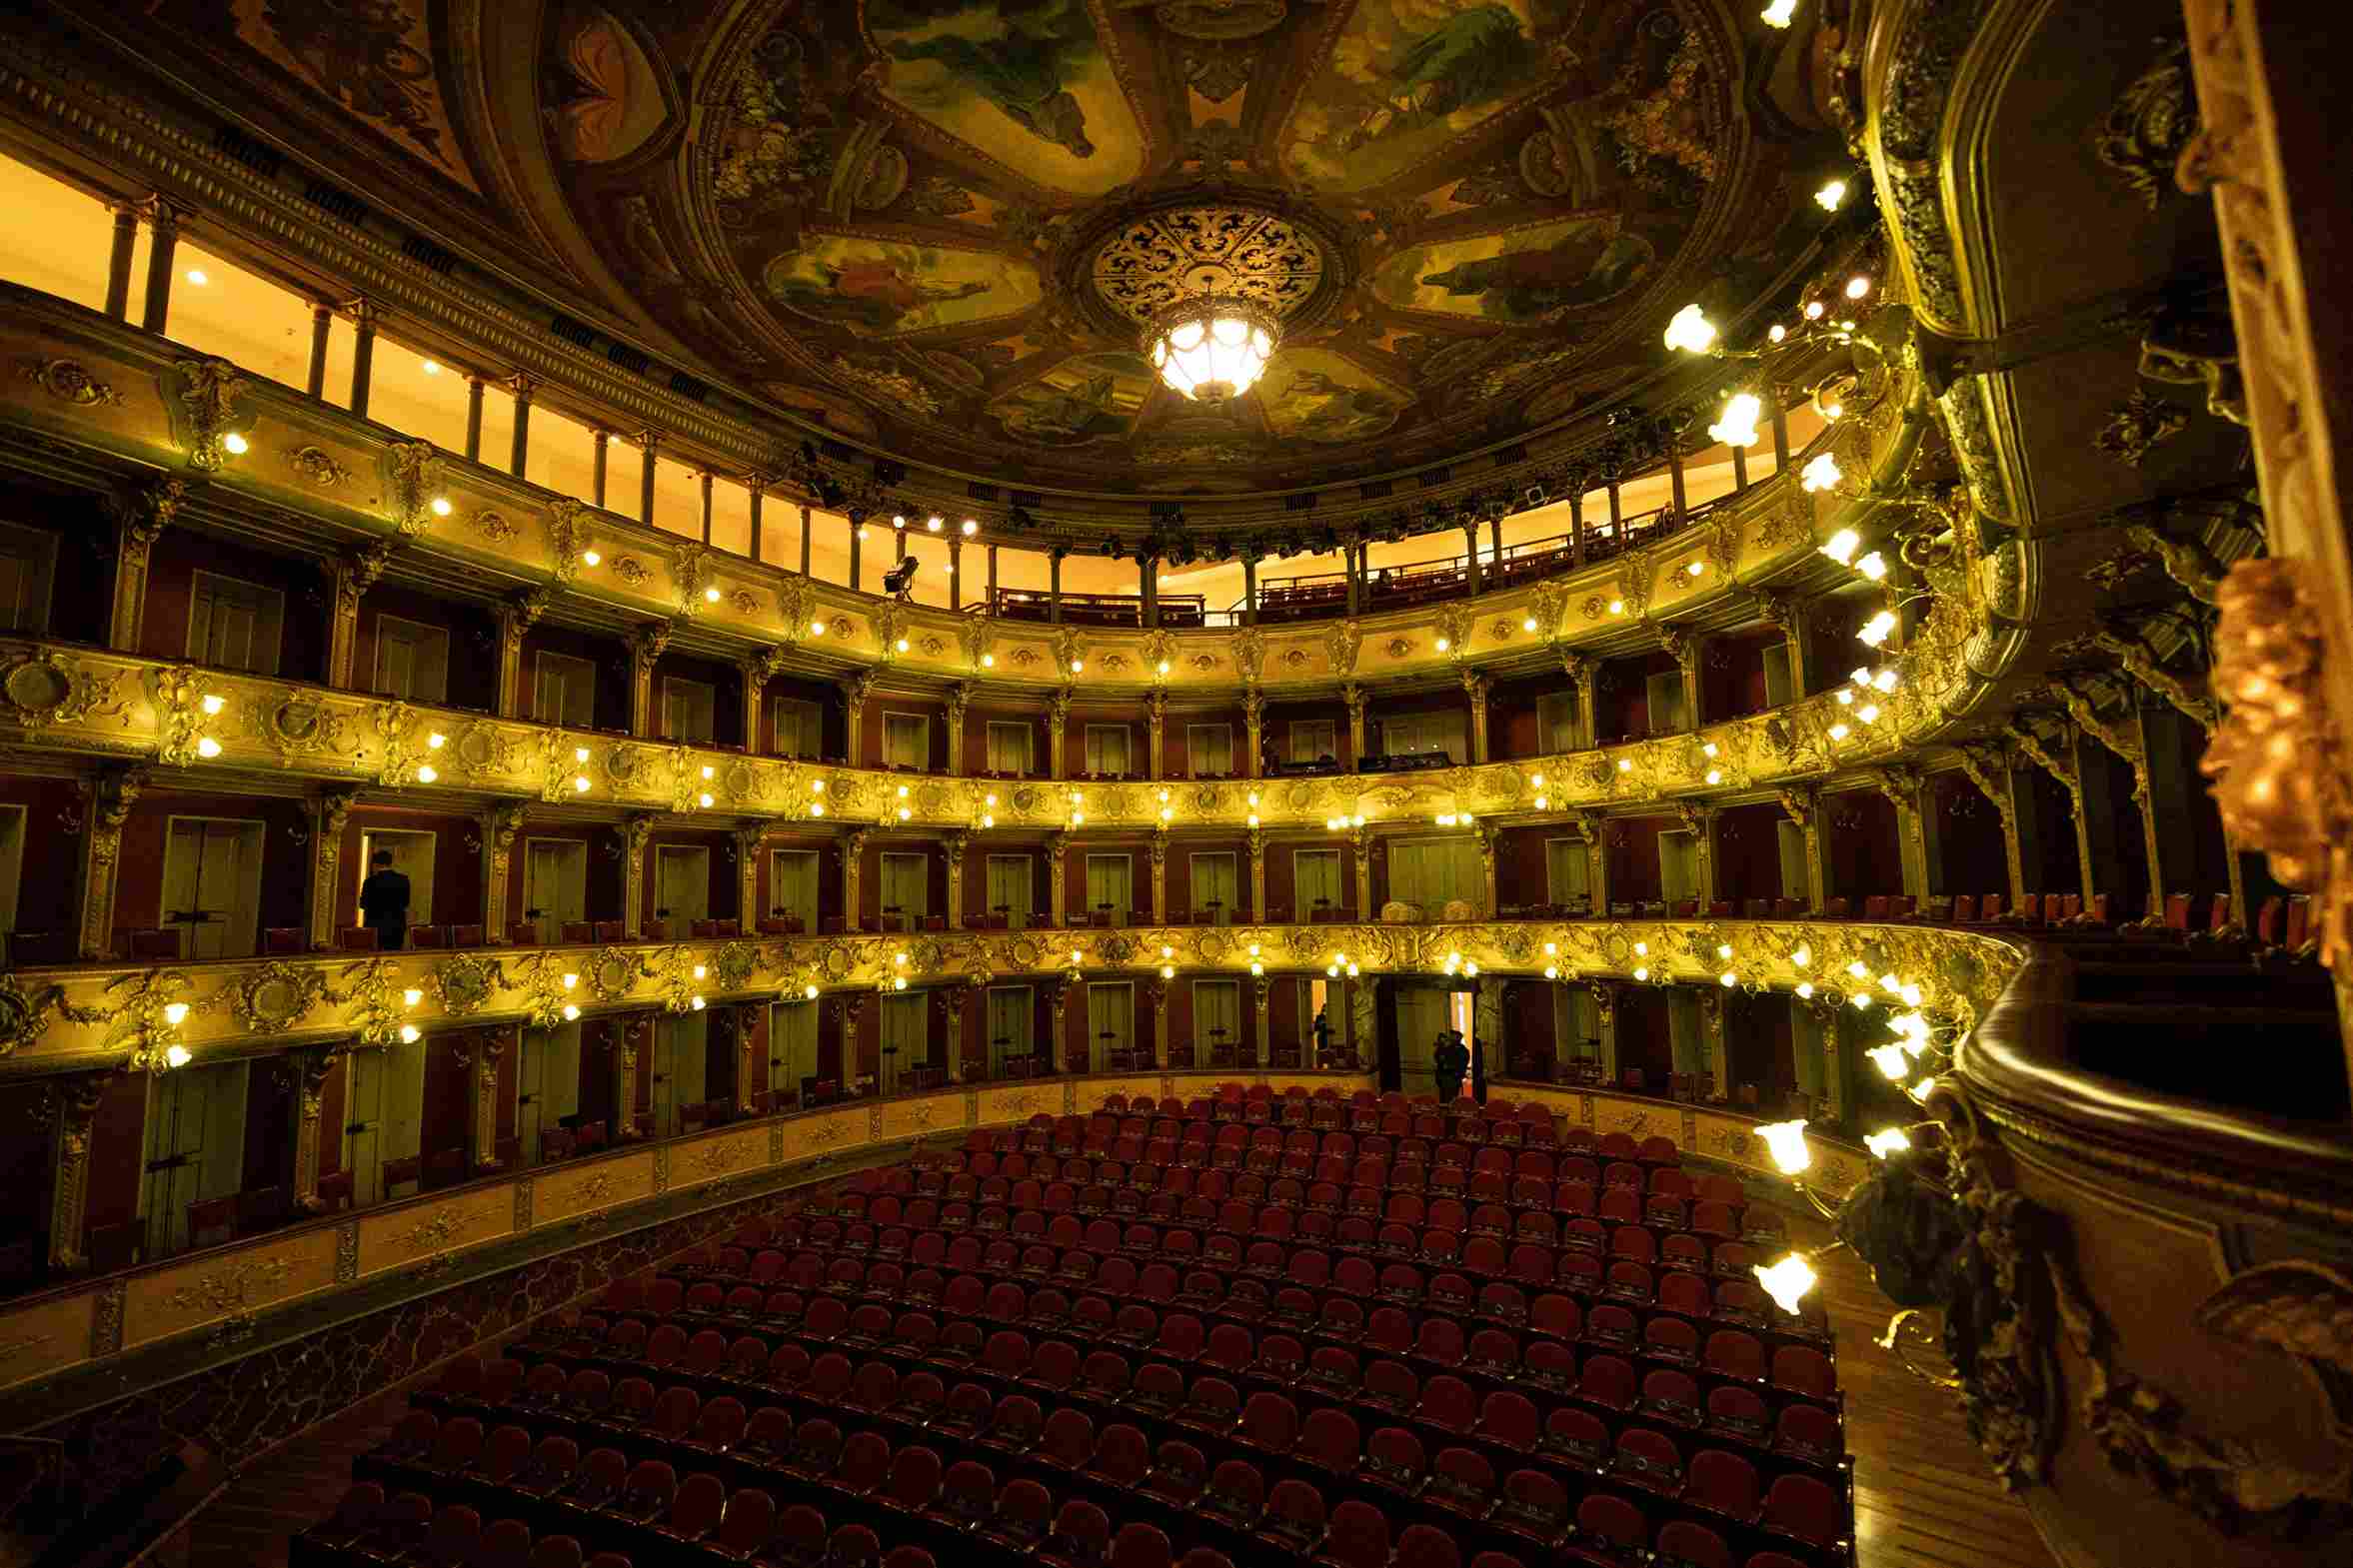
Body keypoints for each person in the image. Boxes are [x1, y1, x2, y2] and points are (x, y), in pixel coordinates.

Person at [359, 848, 411, 951]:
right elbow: (406, 903)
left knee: (374, 956)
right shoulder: (403, 880)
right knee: (393, 956)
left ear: (376, 864)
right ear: (390, 862)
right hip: (396, 925)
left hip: (375, 925)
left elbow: (363, 904)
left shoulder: (370, 881)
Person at [1432, 1028, 1469, 1105]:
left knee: (1452, 1101)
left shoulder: (1462, 1050)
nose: (1450, 1037)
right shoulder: (1447, 1047)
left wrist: (1457, 1074)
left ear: (1459, 1038)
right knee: (1444, 1100)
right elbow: (1438, 1058)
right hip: (1444, 1077)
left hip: (1453, 1078)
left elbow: (1461, 1064)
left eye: (1453, 1036)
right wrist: (1441, 1046)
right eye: (1451, 1035)